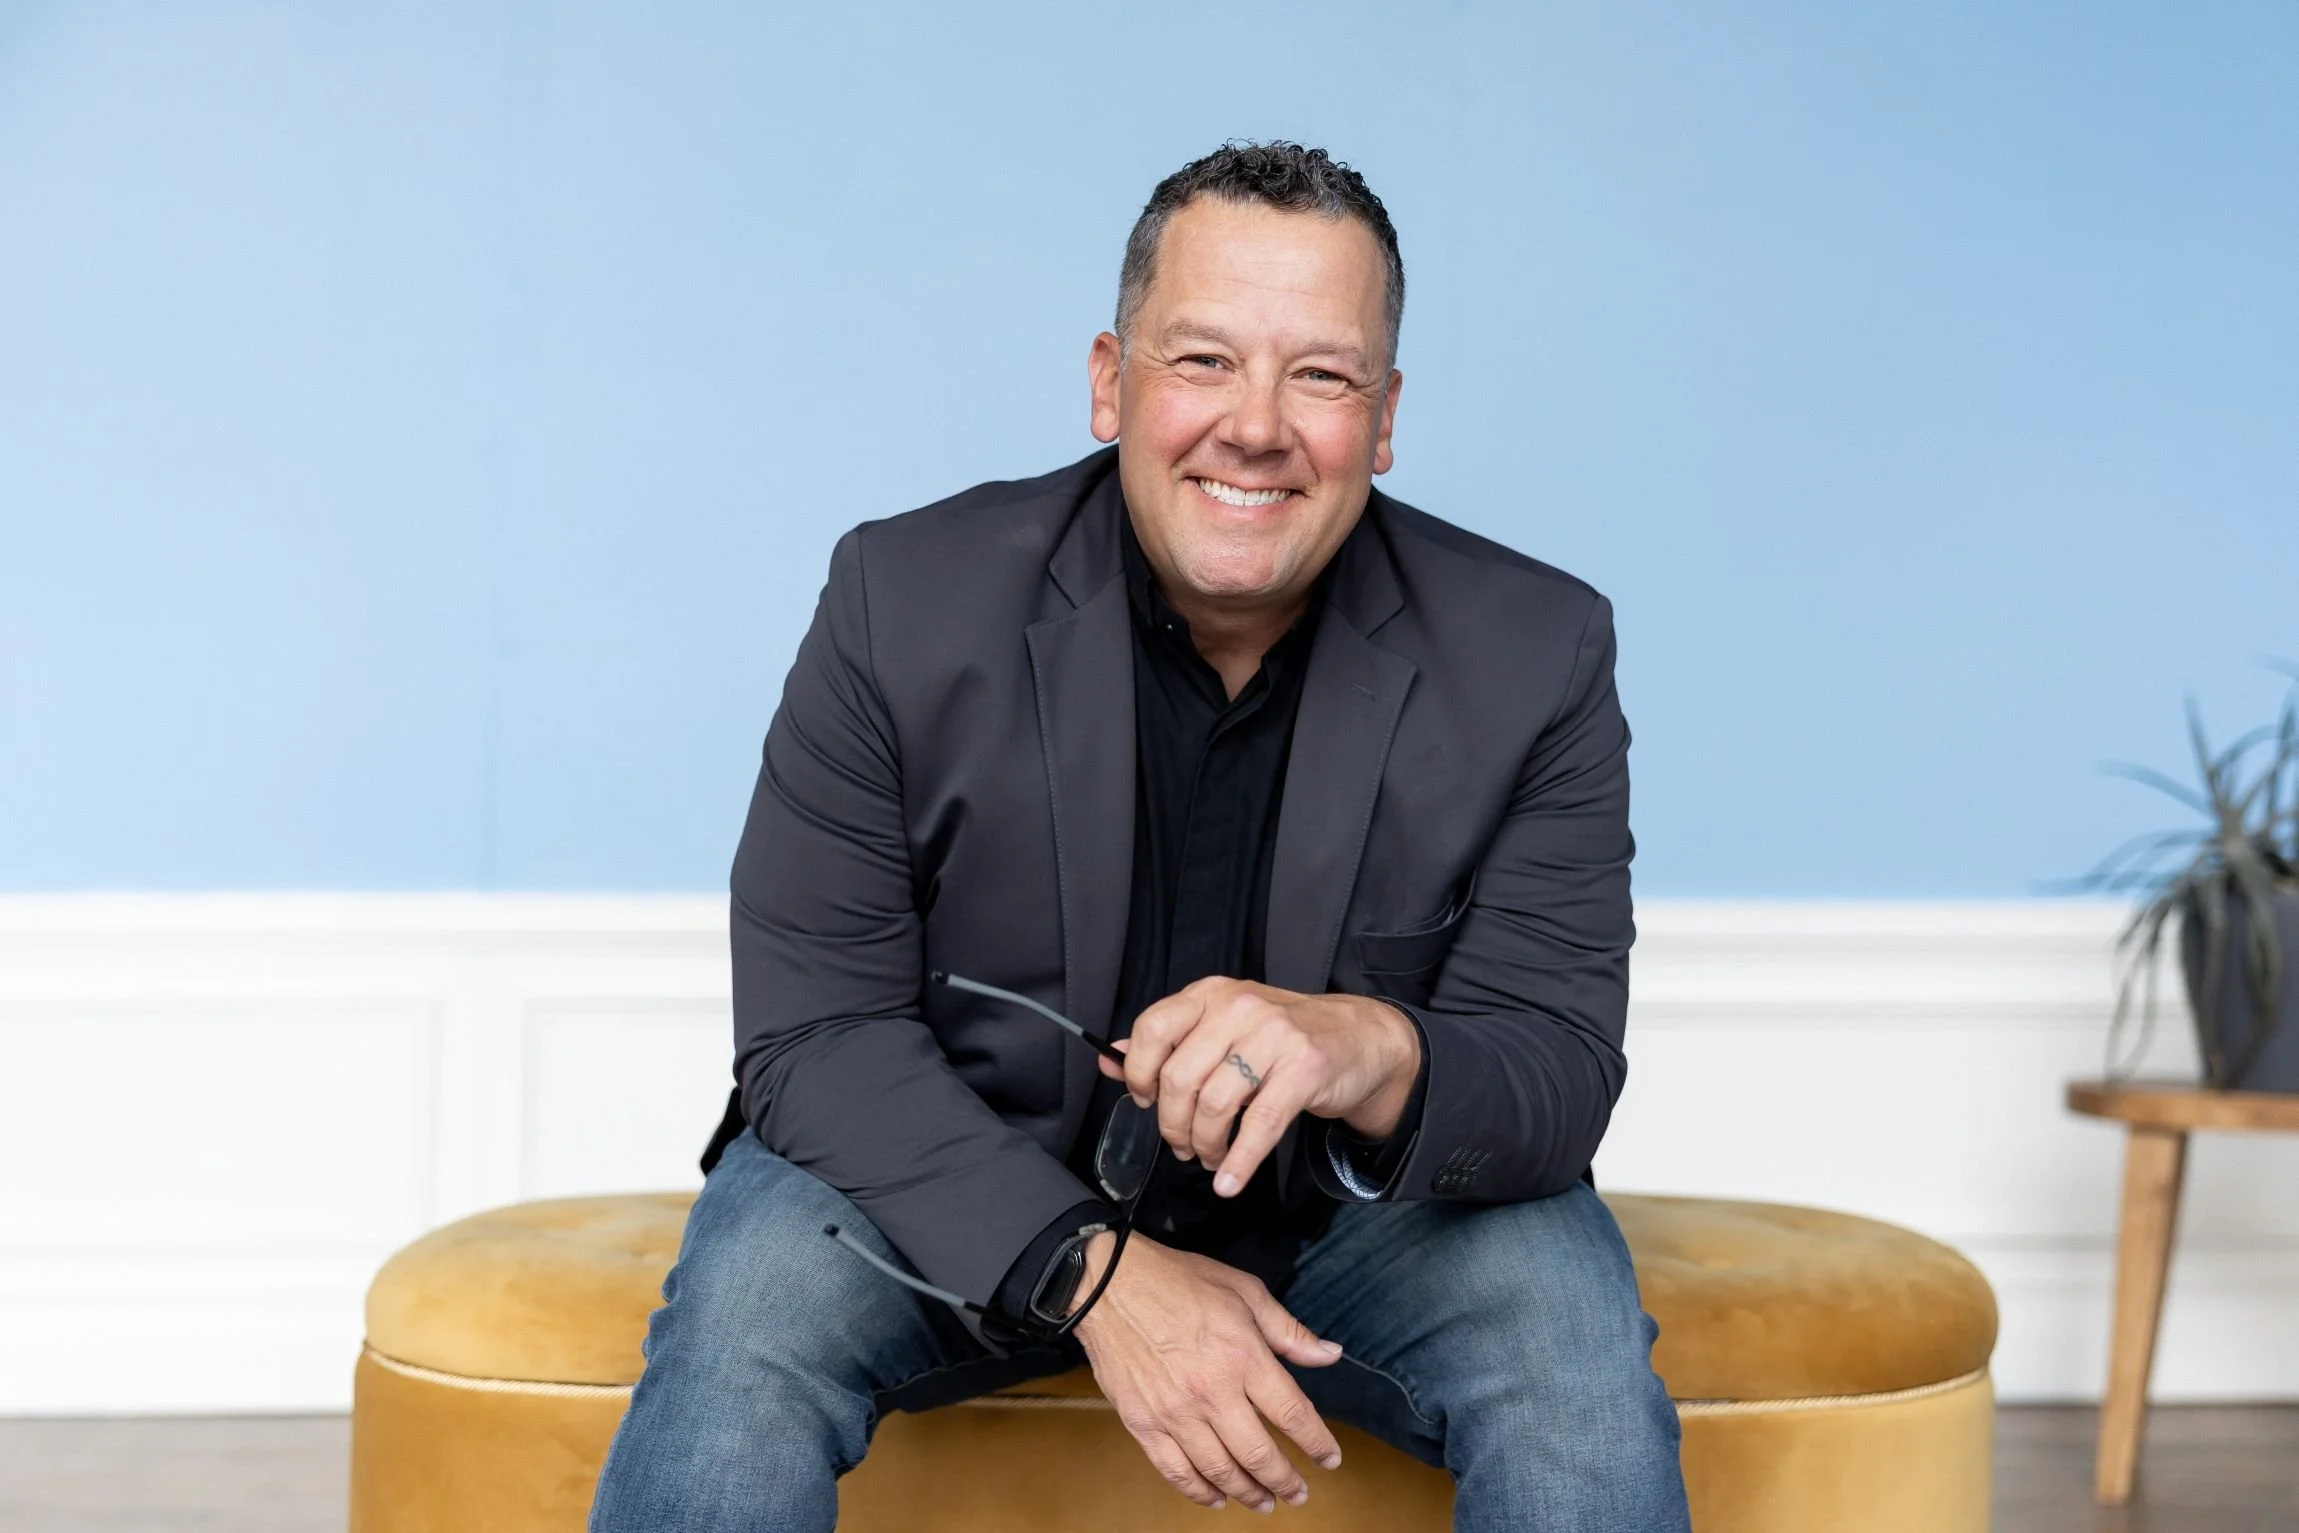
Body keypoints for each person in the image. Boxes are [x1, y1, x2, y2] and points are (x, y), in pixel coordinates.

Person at [589, 141, 1690, 1533]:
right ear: (1112, 382)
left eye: (1323, 375)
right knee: (753, 1294)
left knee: (1563, 1329)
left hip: (1345, 1229)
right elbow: (813, 1036)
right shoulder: (899, 598)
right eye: (1204, 361)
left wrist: (1368, 1043)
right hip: (955, 1197)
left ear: (1387, 415)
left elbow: (1554, 1069)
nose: (1257, 425)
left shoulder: (1535, 649)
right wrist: (1097, 1275)